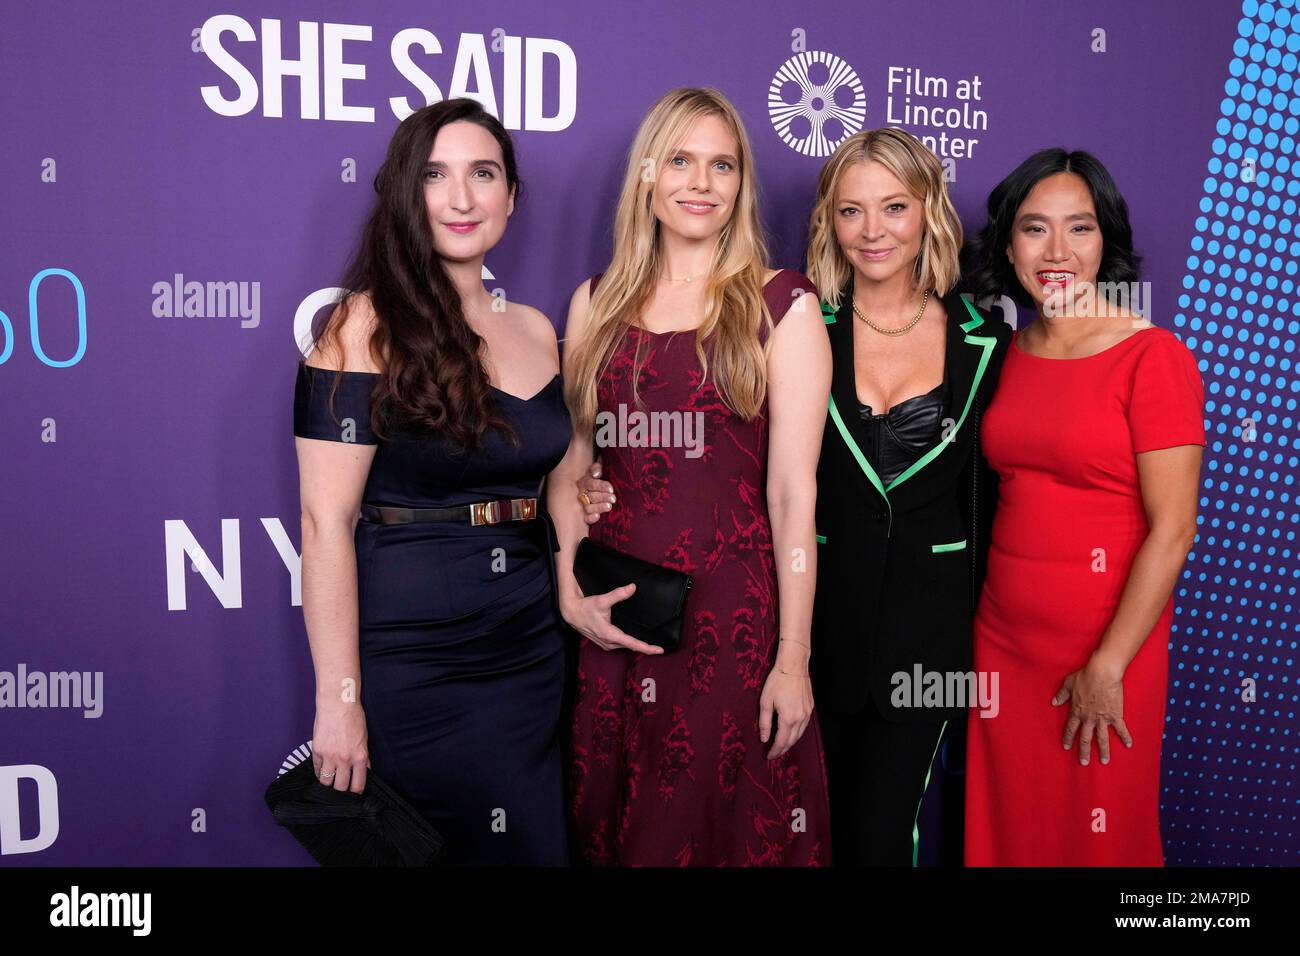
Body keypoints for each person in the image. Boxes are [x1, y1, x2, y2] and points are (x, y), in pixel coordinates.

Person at [548, 87, 833, 865]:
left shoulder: (782, 306)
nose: (701, 183)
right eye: (680, 160)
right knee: (618, 823)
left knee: (705, 826)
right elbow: (572, 467)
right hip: (617, 615)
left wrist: (793, 656)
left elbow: (792, 493)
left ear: (741, 183)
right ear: (647, 171)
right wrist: (570, 589)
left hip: (729, 624)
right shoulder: (594, 304)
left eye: (722, 165)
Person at [292, 98, 570, 865]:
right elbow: (324, 524)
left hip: (529, 646)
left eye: (483, 174)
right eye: (435, 176)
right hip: (416, 657)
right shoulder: (360, 327)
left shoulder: (539, 329)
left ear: (510, 195)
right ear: (407, 193)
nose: (461, 198)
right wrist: (339, 702)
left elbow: (559, 483)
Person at [960, 148, 1204, 866]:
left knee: (1101, 839)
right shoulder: (1005, 352)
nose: (1058, 251)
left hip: (1104, 651)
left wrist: (1109, 664)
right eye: (1035, 229)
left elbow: (1175, 528)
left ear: (1107, 242)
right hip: (1002, 646)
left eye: (1080, 228)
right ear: (1009, 244)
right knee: (1011, 833)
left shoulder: (1152, 357)